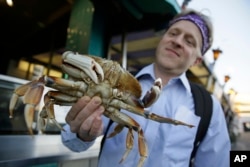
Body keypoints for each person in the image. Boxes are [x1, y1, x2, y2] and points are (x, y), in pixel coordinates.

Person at [61, 9, 231, 167]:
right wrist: (82, 134)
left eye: (189, 41)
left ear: (197, 61)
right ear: (162, 38)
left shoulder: (209, 108)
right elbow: (70, 140)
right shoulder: (114, 81)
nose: (177, 41)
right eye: (173, 33)